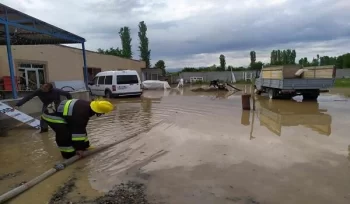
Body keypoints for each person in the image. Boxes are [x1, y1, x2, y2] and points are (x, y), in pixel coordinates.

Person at [41, 99, 114, 159]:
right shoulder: (82, 113)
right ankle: (68, 154)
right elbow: (78, 132)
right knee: (64, 134)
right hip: (51, 115)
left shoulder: (88, 105)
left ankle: (85, 146)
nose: (103, 114)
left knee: (78, 128)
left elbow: (81, 128)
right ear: (99, 111)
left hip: (61, 114)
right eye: (103, 113)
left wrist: (85, 146)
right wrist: (79, 149)